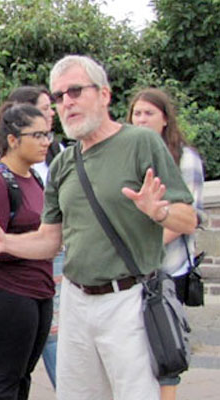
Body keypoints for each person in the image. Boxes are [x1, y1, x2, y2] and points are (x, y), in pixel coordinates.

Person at [0, 55, 197, 400]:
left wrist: (159, 212)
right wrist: (7, 243)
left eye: (75, 91)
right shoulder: (61, 163)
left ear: (104, 94)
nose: (66, 102)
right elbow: (49, 241)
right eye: (59, 97)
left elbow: (188, 218)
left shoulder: (140, 144)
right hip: (75, 303)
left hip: (129, 301)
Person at [0, 86, 64, 387]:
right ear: (12, 140)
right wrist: (38, 243)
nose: (45, 142)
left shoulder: (34, 176)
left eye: (46, 134)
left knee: (22, 378)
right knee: (5, 378)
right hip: (7, 293)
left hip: (39, 289)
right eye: (36, 135)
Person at [127, 88, 204, 400]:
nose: (142, 119)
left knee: (164, 348)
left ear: (165, 120)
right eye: (137, 113)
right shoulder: (129, 156)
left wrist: (145, 250)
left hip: (166, 270)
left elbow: (188, 217)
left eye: (149, 113)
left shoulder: (184, 159)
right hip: (132, 270)